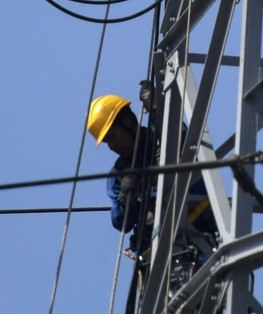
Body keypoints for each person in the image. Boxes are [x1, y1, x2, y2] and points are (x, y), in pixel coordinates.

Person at [86, 95, 217, 249]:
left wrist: (157, 109)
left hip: (198, 224)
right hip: (159, 248)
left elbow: (183, 140)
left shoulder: (161, 136)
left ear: (127, 122)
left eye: (113, 136)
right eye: (108, 142)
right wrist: (128, 200)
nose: (113, 146)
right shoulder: (118, 176)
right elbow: (120, 222)